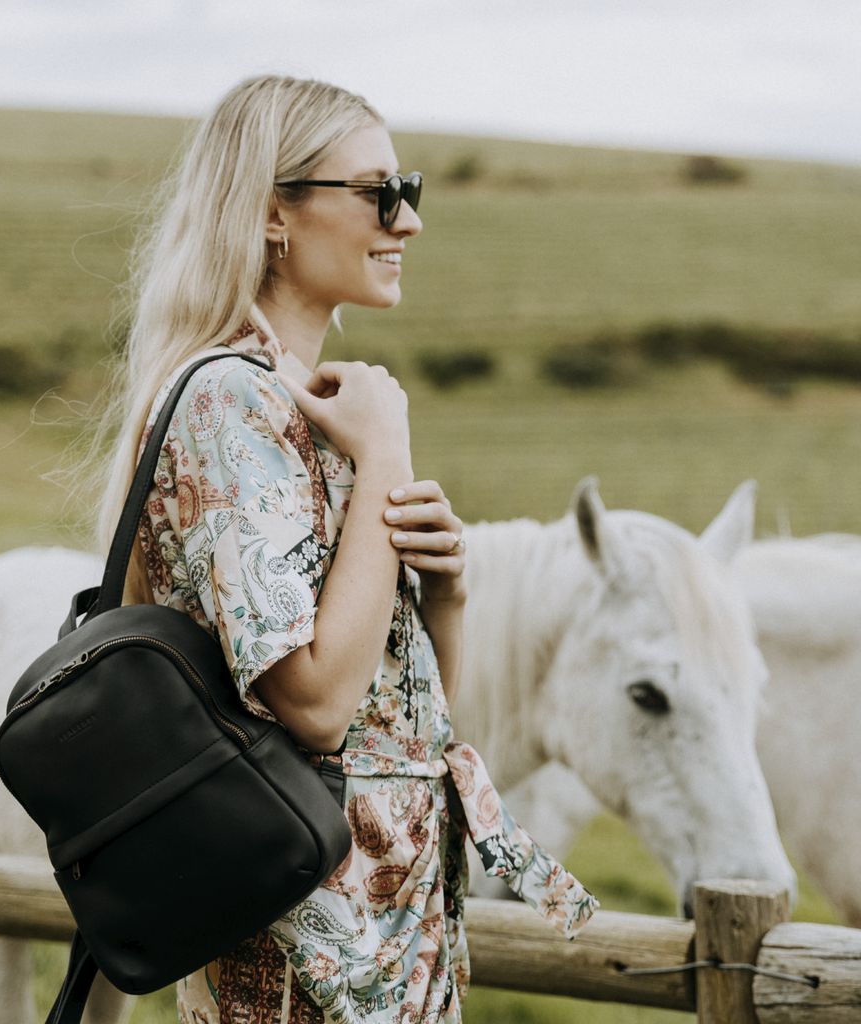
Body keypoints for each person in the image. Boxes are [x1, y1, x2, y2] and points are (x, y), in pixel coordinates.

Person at [95, 75, 597, 1024]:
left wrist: (441, 593)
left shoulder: (319, 407)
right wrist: (387, 454)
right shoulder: (228, 405)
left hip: (392, 927)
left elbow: (403, 731)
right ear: (272, 213)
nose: (407, 221)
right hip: (308, 940)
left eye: (407, 190)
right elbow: (318, 706)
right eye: (377, 192)